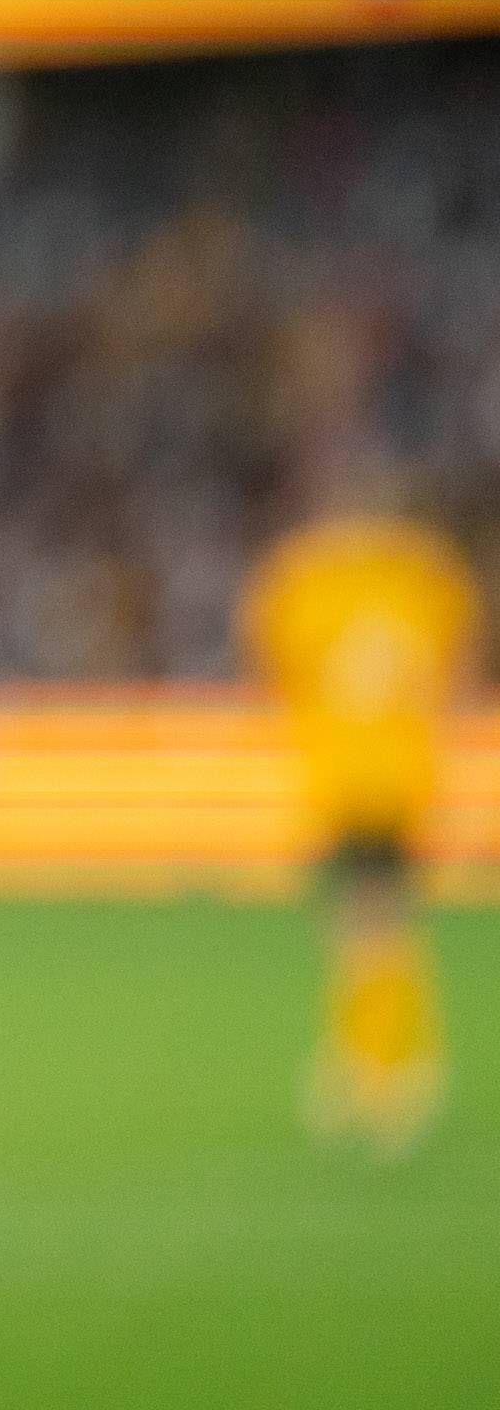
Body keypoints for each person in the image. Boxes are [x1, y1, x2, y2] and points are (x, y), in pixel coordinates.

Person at [241, 460, 480, 1154]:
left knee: (371, 926)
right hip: (358, 782)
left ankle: (387, 1068)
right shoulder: (406, 582)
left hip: (377, 783)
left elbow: (271, 658)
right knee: (363, 930)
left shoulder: (361, 584)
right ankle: (374, 1061)